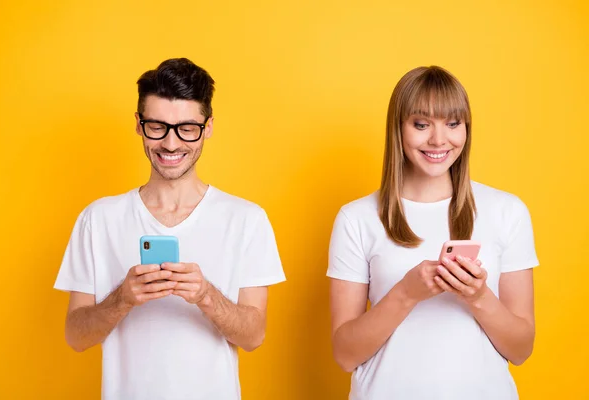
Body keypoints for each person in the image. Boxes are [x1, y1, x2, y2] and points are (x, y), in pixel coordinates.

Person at [54, 58, 286, 400]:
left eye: (187, 128)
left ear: (208, 127)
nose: (172, 144)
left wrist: (206, 295)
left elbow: (253, 337)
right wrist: (123, 298)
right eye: (157, 126)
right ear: (138, 124)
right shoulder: (98, 219)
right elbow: (76, 336)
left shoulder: (246, 220)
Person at [327, 66, 538, 400]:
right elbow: (345, 354)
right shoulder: (357, 218)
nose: (439, 140)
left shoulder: (507, 211)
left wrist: (478, 296)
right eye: (422, 124)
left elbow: (521, 349)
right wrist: (406, 293)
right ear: (398, 128)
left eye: (453, 124)